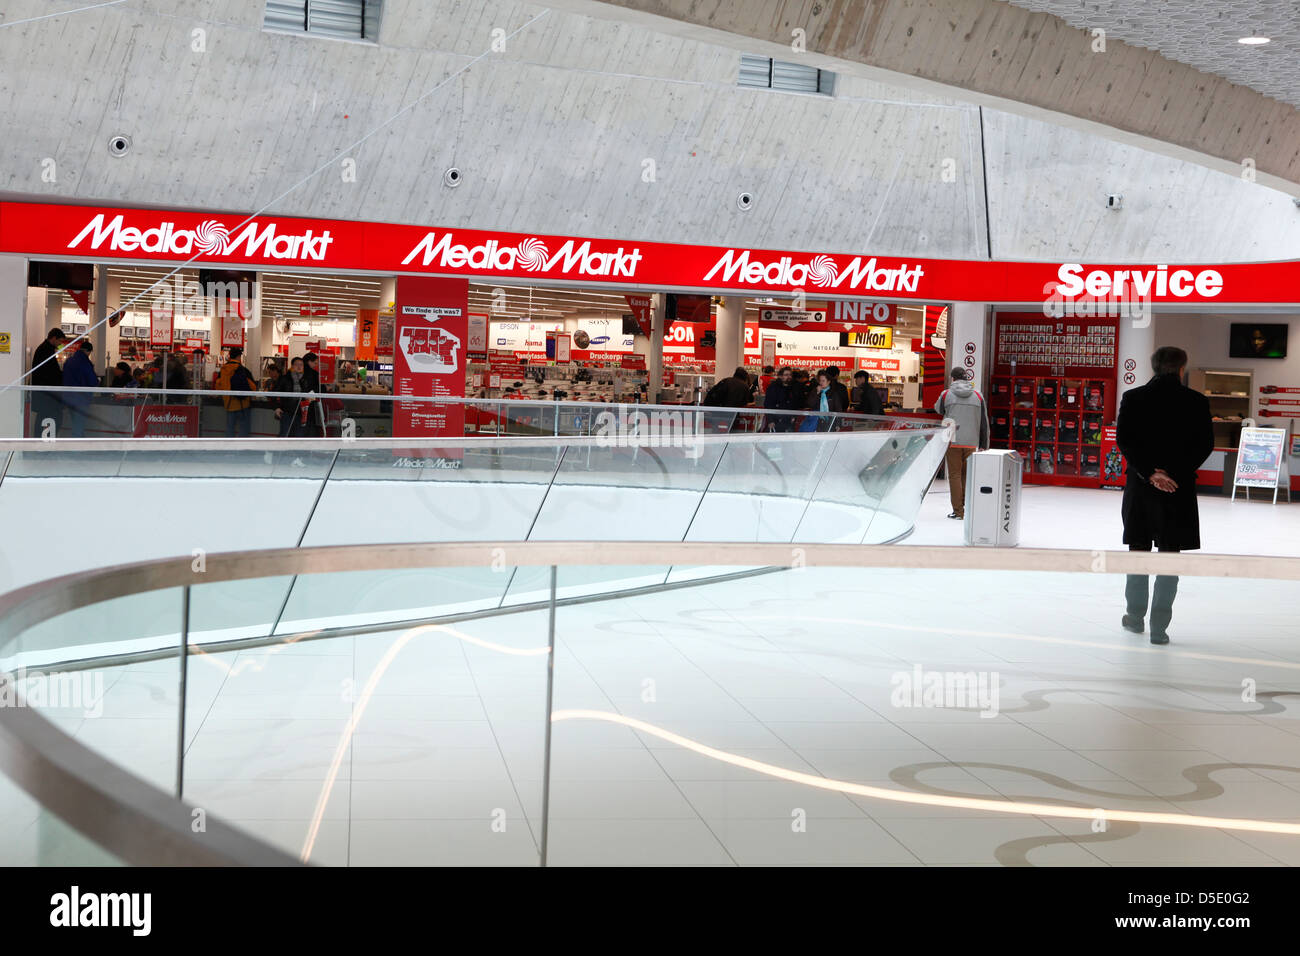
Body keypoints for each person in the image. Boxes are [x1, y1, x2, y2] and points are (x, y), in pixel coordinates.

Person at [1115, 346, 1214, 645]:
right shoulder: (1196, 401)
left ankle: (1134, 617)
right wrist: (1173, 475)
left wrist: (1150, 473)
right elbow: (1204, 445)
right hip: (1178, 490)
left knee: (1139, 550)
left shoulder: (1133, 398)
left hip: (1141, 488)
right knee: (1171, 556)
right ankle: (1159, 627)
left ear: (1154, 366)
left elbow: (1124, 441)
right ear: (1182, 368)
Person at [934, 367, 990, 520]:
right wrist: (984, 443)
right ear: (966, 379)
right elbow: (984, 422)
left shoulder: (946, 394)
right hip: (971, 442)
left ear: (952, 379)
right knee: (966, 475)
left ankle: (958, 511)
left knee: (954, 475)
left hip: (953, 440)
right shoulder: (978, 396)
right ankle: (965, 507)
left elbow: (938, 409)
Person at [29, 327, 67, 435]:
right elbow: (51, 373)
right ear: (54, 338)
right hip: (47, 395)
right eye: (60, 341)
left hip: (44, 394)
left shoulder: (45, 349)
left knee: (43, 418)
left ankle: (41, 443)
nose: (60, 344)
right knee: (50, 418)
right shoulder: (46, 350)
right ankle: (43, 443)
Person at [61, 338, 99, 437]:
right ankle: (76, 447)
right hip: (81, 399)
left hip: (68, 398)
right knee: (79, 424)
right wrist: (97, 381)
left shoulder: (69, 361)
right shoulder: (85, 363)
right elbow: (92, 381)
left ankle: (77, 442)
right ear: (88, 351)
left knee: (74, 423)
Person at [217, 347, 258, 437]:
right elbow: (253, 387)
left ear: (230, 356)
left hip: (228, 404)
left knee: (230, 428)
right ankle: (241, 449)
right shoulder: (243, 370)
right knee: (243, 429)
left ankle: (229, 449)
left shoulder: (223, 370)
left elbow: (218, 386)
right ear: (239, 357)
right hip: (243, 404)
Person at [274, 356, 311, 437]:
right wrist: (277, 407)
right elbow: (275, 393)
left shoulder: (306, 380)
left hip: (301, 412)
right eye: (296, 364)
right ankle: (281, 449)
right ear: (292, 366)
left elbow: (310, 393)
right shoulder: (284, 378)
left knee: (299, 435)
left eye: (301, 365)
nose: (299, 366)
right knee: (285, 433)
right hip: (287, 411)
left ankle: (296, 449)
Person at [763, 366, 798, 432]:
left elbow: (795, 403)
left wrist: (794, 416)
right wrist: (771, 420)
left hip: (789, 421)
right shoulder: (773, 387)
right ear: (781, 376)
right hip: (776, 420)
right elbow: (768, 404)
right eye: (786, 375)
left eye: (790, 375)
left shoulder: (793, 387)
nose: (789, 377)